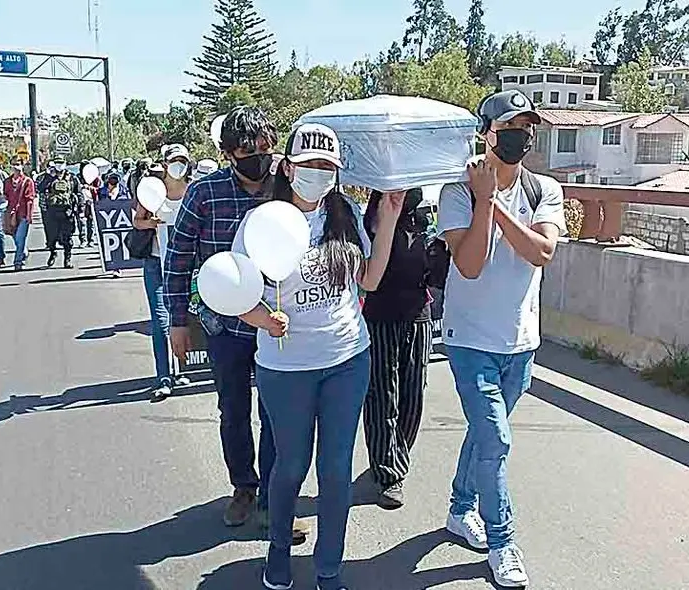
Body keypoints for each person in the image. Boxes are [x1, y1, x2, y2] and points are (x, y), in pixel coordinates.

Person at [233, 123, 402, 590]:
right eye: (310, 165)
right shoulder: (260, 222)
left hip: (347, 358)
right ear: (288, 167)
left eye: (328, 167)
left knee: (336, 470)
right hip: (285, 367)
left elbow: (368, 281)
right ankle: (278, 557)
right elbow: (235, 292)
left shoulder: (343, 212)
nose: (319, 174)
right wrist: (264, 319)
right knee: (290, 465)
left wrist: (387, 219)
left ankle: (329, 569)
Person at [436, 89, 566, 588]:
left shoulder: (543, 190)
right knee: (496, 439)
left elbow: (542, 252)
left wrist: (495, 202)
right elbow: (469, 266)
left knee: (484, 435)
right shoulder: (456, 192)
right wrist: (481, 199)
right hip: (470, 340)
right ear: (487, 133)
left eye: (528, 126)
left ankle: (460, 507)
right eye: (510, 125)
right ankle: (501, 540)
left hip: (520, 340)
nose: (522, 135)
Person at [164, 106, 306, 538]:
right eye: (248, 150)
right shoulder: (204, 193)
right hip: (224, 325)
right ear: (228, 153)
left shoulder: (287, 188)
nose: (259, 156)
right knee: (233, 411)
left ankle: (273, 500)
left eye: (265, 146)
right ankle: (243, 487)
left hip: (275, 323)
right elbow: (178, 257)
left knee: (277, 414)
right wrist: (177, 321)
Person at [360, 186, 436, 510]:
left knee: (413, 393)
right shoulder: (376, 214)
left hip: (419, 314)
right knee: (381, 394)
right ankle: (388, 473)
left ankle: (395, 455)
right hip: (380, 314)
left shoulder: (428, 217)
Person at [132, 144, 194, 401]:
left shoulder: (193, 191)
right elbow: (138, 221)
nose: (178, 165)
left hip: (187, 267)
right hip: (157, 265)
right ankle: (164, 377)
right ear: (165, 164)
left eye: (182, 160)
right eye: (174, 160)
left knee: (187, 319)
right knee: (161, 322)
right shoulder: (153, 190)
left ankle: (183, 369)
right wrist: (151, 223)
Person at [37, 161, 81, 269]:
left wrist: (80, 208)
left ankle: (67, 259)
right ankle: (53, 252)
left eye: (61, 163)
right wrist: (48, 177)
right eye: (57, 163)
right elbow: (40, 188)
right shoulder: (49, 177)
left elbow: (78, 192)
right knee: (51, 238)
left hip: (67, 211)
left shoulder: (71, 178)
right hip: (52, 211)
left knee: (67, 238)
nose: (59, 165)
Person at [4, 163, 36, 271]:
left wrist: (29, 215)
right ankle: (24, 252)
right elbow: (5, 196)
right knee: (13, 235)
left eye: (18, 165)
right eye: (14, 165)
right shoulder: (8, 182)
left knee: (20, 238)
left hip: (23, 213)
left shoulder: (27, 181)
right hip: (11, 213)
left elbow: (30, 199)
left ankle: (18, 262)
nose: (16, 167)